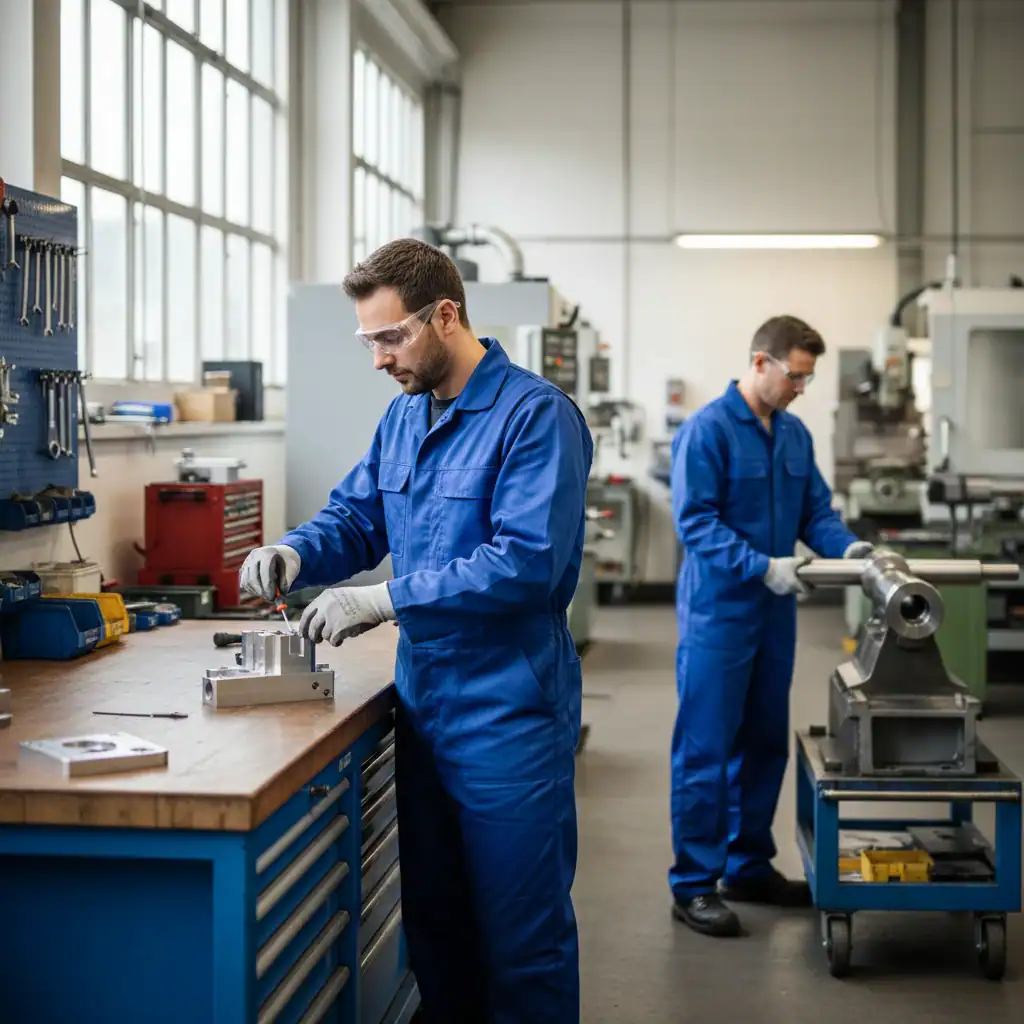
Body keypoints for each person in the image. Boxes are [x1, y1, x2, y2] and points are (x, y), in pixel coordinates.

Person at [240, 238, 594, 1022]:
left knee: (521, 939)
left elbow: (526, 563)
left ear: (446, 316)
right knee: (435, 927)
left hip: (509, 712)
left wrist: (384, 600)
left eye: (391, 337)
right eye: (368, 341)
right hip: (425, 707)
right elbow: (358, 516)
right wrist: (295, 551)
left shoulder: (535, 419)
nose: (378, 360)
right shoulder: (404, 420)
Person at [668, 315, 871, 938]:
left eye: (808, 378)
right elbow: (695, 523)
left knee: (764, 744)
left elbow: (817, 511)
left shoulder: (793, 435)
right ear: (761, 363)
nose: (801, 388)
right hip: (718, 616)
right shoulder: (707, 432)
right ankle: (694, 884)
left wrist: (851, 551)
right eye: (796, 376)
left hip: (774, 617)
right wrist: (763, 566)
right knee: (706, 747)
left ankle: (747, 864)